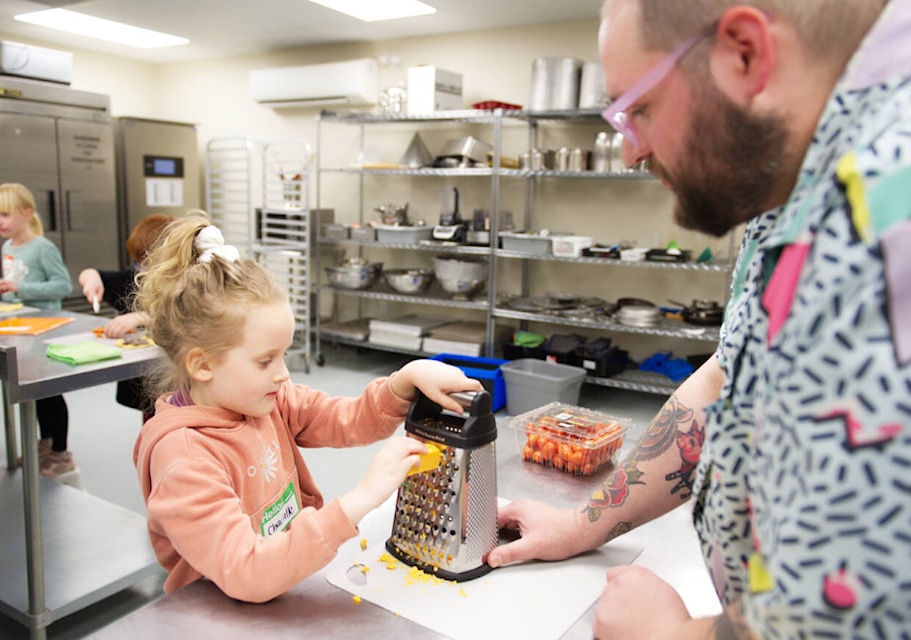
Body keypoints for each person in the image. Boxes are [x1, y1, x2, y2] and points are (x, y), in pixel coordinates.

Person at [487, 1, 911, 639]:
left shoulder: (883, 204)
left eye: (641, 109)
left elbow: (857, 614)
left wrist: (670, 636)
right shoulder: (794, 171)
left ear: (744, 52)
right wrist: (580, 526)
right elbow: (729, 377)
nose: (631, 151)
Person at [131, 214, 482, 602]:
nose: (283, 375)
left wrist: (402, 381)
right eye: (266, 361)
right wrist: (359, 500)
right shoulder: (183, 459)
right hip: (219, 614)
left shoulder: (268, 400)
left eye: (284, 355)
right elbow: (246, 570)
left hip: (287, 584)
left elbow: (347, 420)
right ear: (202, 364)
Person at [0, 183, 74, 477]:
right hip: (21, 330)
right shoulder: (8, 247)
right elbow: (14, 293)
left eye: (4, 214)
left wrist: (18, 286)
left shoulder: (42, 247)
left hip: (47, 329)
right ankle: (45, 444)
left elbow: (63, 285)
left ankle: (61, 453)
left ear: (27, 213)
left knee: (50, 392)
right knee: (33, 392)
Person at [78, 213, 173, 420]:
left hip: (171, 376)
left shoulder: (182, 282)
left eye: (148, 262)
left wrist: (140, 317)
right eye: (139, 263)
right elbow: (91, 273)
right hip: (146, 379)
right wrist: (91, 279)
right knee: (150, 419)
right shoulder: (134, 278)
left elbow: (179, 313)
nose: (143, 269)